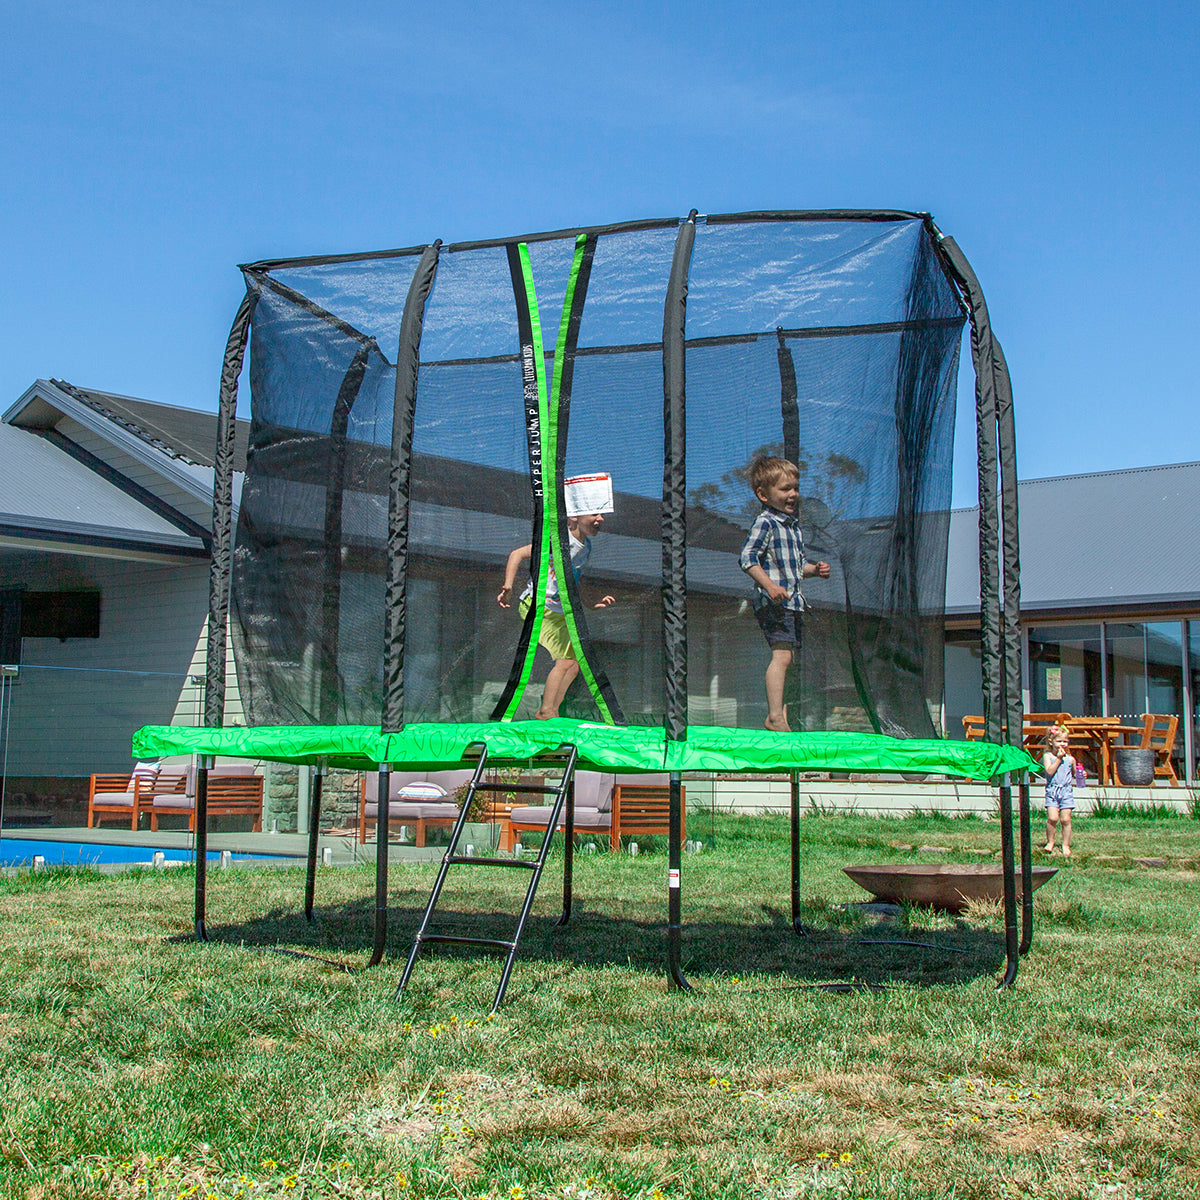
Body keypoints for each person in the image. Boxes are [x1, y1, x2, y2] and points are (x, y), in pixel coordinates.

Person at [738, 455, 830, 732]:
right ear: (763, 495)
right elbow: (747, 558)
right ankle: (774, 716)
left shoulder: (793, 528)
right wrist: (769, 586)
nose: (793, 494)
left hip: (792, 603)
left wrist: (814, 569)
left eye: (795, 488)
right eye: (785, 488)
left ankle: (782, 717)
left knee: (789, 659)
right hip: (773, 602)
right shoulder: (766, 522)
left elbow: (796, 568)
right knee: (782, 656)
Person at [498, 512, 615, 720]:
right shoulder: (558, 541)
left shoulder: (586, 547)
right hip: (537, 607)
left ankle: (551, 710)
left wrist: (590, 602)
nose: (601, 519)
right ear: (575, 517)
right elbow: (517, 554)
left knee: (573, 665)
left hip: (559, 612)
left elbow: (574, 579)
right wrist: (508, 587)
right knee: (565, 661)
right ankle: (546, 711)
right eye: (594, 514)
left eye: (602, 514)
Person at [1041, 723, 1076, 856]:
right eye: (1059, 741)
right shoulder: (1048, 756)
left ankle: (1065, 844)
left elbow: (1074, 774)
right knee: (1053, 818)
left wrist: (1082, 774)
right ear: (1051, 742)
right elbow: (1049, 771)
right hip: (1052, 791)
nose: (1062, 744)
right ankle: (1050, 842)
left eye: (1065, 741)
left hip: (1066, 792)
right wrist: (1059, 759)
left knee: (1066, 819)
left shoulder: (1070, 759)